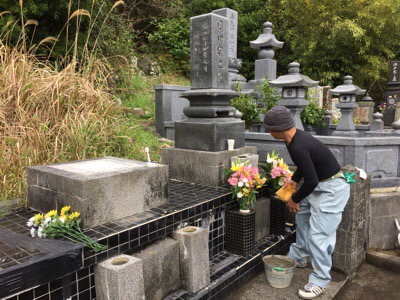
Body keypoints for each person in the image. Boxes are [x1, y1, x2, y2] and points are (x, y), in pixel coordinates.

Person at [263, 106, 350, 300]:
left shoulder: (298, 145)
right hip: (319, 185)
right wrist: (294, 180)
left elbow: (311, 180)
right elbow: (306, 166)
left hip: (331, 189)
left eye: (269, 128)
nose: (268, 132)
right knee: (302, 219)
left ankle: (320, 279)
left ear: (278, 129)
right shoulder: (295, 138)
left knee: (320, 235)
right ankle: (299, 256)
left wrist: (294, 199)